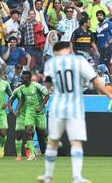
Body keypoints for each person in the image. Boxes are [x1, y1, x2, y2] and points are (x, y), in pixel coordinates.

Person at [37, 41, 112, 183]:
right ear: (70, 49)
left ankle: (47, 176)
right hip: (74, 108)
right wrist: (108, 94)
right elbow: (94, 80)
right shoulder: (79, 61)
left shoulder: (51, 64)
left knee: (53, 141)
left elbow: (47, 85)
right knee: (76, 142)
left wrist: (47, 80)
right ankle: (77, 177)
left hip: (57, 107)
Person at [16, 71, 49, 161]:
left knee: (43, 133)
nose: (22, 79)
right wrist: (18, 108)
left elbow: (47, 95)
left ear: (29, 78)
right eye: (22, 77)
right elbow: (22, 99)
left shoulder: (37, 86)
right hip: (29, 112)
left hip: (39, 113)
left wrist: (41, 106)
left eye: (24, 78)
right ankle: (32, 155)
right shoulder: (22, 88)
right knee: (28, 131)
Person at [8, 84, 25, 161]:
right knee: (19, 134)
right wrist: (10, 107)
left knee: (30, 133)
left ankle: (32, 154)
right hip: (20, 115)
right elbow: (10, 100)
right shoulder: (17, 90)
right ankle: (19, 155)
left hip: (31, 114)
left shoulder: (33, 89)